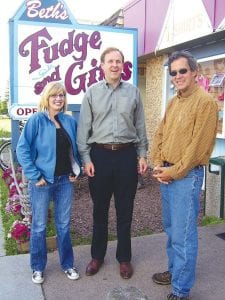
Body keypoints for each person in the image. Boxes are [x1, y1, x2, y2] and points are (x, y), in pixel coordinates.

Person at [151, 50, 218, 300]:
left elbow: (196, 149)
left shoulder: (206, 103)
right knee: (171, 230)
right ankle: (174, 270)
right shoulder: (174, 100)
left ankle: (181, 290)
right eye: (173, 73)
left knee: (184, 234)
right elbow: (160, 134)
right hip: (167, 172)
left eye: (182, 71)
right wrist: (158, 163)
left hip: (185, 177)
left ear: (194, 72)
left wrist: (172, 172)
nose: (177, 76)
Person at [77, 47, 148, 279]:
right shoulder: (91, 93)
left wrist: (142, 154)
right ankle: (97, 256)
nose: (115, 65)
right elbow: (83, 130)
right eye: (110, 61)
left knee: (125, 211)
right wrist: (86, 158)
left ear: (123, 65)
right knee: (99, 210)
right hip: (100, 157)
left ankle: (124, 258)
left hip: (127, 156)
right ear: (102, 65)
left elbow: (140, 126)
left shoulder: (133, 92)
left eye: (118, 61)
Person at [16, 82, 81, 284]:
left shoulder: (69, 122)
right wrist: (35, 176)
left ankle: (67, 264)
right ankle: (37, 267)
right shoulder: (36, 120)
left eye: (61, 95)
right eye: (54, 95)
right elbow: (22, 149)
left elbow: (75, 150)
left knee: (63, 225)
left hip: (64, 182)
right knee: (39, 226)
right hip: (43, 182)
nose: (58, 99)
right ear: (47, 98)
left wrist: (75, 170)